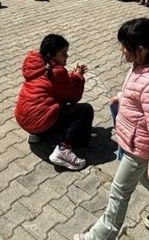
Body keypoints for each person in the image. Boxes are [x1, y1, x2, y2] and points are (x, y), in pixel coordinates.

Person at [73, 18, 149, 240]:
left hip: (138, 147)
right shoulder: (144, 64)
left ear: (141, 49)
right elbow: (138, 94)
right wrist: (123, 97)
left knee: (119, 193)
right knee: (147, 180)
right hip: (132, 139)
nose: (121, 50)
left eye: (125, 46)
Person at [15, 34, 93, 171]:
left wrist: (71, 76)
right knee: (84, 110)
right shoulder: (56, 71)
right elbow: (74, 96)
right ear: (51, 55)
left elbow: (52, 82)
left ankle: (37, 134)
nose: (66, 56)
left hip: (24, 120)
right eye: (63, 53)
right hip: (39, 122)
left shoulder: (36, 65)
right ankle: (64, 150)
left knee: (53, 102)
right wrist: (79, 78)